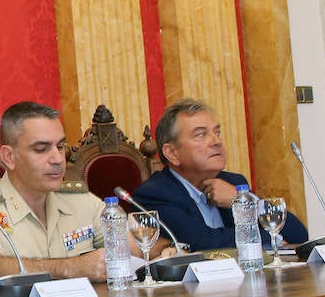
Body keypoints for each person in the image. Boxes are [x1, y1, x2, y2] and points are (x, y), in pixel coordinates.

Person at [0, 101, 159, 282]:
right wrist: (71, 268)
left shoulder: (81, 200)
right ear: (8, 157)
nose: (58, 159)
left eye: (60, 147)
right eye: (41, 149)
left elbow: (133, 243)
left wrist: (163, 252)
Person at [129, 98, 308, 251]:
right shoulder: (154, 195)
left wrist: (242, 201)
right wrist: (273, 239)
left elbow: (298, 234)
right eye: (201, 135)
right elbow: (202, 244)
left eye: (217, 132)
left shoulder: (233, 183)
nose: (216, 141)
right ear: (172, 153)